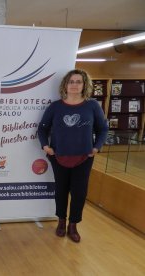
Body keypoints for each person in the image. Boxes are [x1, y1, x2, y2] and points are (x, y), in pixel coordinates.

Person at [37, 69, 108, 243]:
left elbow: (103, 128)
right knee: (61, 190)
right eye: (71, 81)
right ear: (65, 85)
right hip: (58, 156)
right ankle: (61, 221)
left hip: (84, 158)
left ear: (84, 85)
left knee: (79, 193)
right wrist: (46, 146)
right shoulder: (55, 106)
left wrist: (97, 147)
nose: (74, 85)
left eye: (78, 81)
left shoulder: (92, 106)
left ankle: (73, 225)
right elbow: (42, 128)